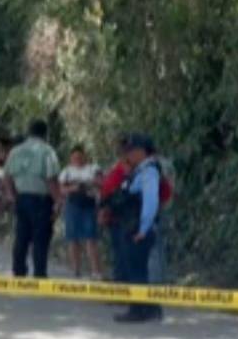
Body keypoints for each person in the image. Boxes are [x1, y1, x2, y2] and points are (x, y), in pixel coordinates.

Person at [109, 133, 163, 323]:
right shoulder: (139, 170)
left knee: (136, 271)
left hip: (138, 229)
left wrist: (143, 229)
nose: (128, 154)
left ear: (141, 151)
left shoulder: (148, 172)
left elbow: (150, 202)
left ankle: (138, 310)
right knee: (138, 270)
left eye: (131, 151)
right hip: (132, 226)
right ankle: (149, 309)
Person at [3, 120, 61, 278]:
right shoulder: (47, 151)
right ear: (45, 133)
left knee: (21, 235)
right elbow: (51, 178)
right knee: (40, 237)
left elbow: (7, 176)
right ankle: (40, 273)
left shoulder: (15, 151)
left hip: (21, 197)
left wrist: (10, 195)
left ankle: (18, 270)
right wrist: (58, 200)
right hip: (41, 200)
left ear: (29, 132)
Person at [59, 145, 103, 278]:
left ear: (85, 156)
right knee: (73, 239)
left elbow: (101, 182)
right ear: (71, 158)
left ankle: (96, 271)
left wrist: (88, 183)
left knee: (91, 238)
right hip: (73, 206)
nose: (77, 159)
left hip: (89, 206)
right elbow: (62, 189)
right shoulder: (66, 171)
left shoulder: (93, 168)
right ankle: (76, 269)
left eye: (79, 157)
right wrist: (73, 187)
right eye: (74, 157)